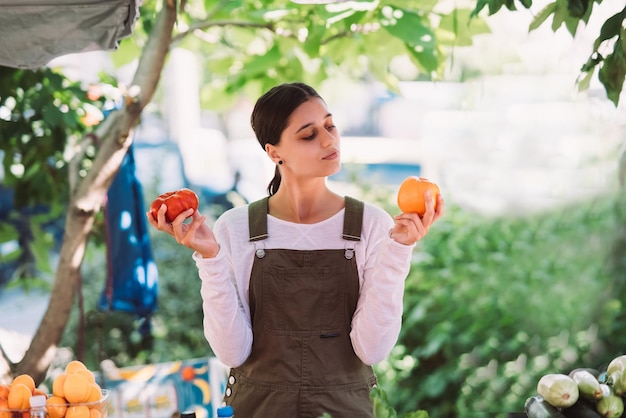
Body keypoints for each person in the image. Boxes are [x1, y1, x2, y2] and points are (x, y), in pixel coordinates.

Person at [148, 82, 444, 417]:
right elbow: (233, 353)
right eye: (309, 135)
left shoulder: (371, 225)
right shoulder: (236, 228)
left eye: (330, 126)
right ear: (275, 152)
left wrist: (400, 251)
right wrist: (209, 258)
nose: (329, 140)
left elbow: (371, 349)